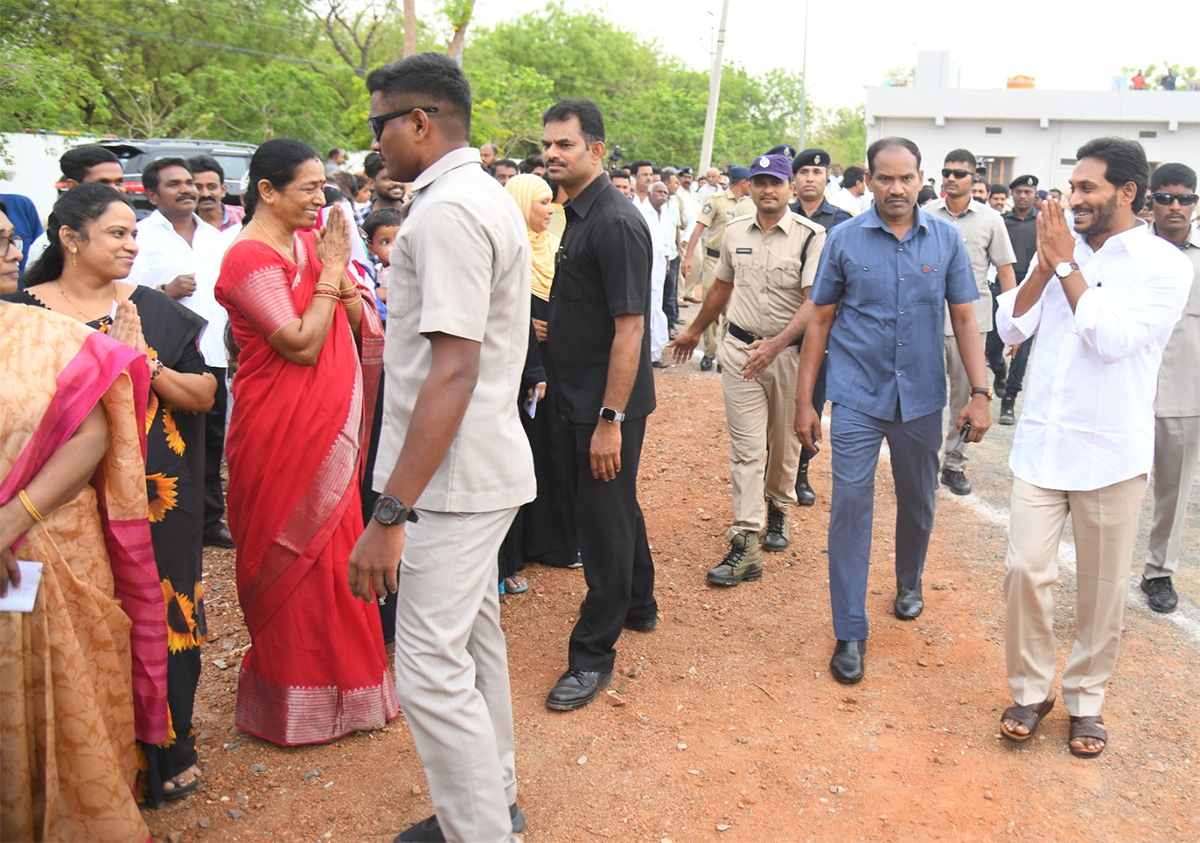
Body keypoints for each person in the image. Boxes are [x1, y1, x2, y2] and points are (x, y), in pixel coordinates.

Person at [349, 52, 534, 843]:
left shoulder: (449, 209)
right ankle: (494, 801)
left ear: (419, 121)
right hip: (469, 470)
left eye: (378, 123)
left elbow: (452, 372)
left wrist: (392, 509)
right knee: (471, 641)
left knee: (426, 668)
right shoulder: (466, 196)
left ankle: (481, 831)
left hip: (448, 484)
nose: (374, 141)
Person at [7, 182, 218, 804]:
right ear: (70, 239)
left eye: (134, 232)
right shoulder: (24, 315)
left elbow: (204, 395)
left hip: (156, 491)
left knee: (165, 605)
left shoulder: (152, 308)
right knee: (89, 618)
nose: (132, 245)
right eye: (117, 233)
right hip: (62, 500)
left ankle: (171, 746)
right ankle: (97, 759)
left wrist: (142, 362)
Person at [995, 138, 1191, 759]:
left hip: (1110, 451)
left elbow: (1111, 339)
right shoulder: (1062, 249)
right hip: (1043, 443)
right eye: (1071, 187)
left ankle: (1085, 701)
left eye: (1087, 189)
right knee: (1025, 570)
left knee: (1102, 587)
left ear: (1126, 193)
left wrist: (1064, 266)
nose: (1072, 198)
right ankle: (1030, 688)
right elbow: (1010, 326)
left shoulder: (1164, 265)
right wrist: (1044, 267)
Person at [214, 139, 397, 746]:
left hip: (326, 426)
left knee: (338, 549)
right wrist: (334, 271)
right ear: (266, 190)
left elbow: (350, 322)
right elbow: (300, 342)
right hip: (277, 431)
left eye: (323, 187)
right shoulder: (247, 257)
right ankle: (296, 703)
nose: (322, 198)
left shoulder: (307, 242)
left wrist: (338, 277)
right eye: (308, 188)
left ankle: (352, 694)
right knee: (289, 557)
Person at [794, 137, 991, 685]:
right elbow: (820, 320)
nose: (896, 188)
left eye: (906, 178)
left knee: (919, 500)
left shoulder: (946, 240)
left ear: (921, 178)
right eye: (885, 178)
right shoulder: (843, 239)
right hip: (857, 396)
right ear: (869, 180)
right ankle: (850, 629)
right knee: (850, 508)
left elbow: (967, 321)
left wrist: (980, 391)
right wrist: (805, 400)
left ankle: (910, 579)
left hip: (923, 399)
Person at [1, 296, 167, 842]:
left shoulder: (54, 337)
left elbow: (92, 437)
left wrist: (9, 522)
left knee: (73, 690)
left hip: (56, 543)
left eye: (10, 237)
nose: (13, 249)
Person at [540, 98, 658, 711]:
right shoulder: (577, 214)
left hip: (603, 406)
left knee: (602, 521)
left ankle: (592, 653)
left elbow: (630, 329)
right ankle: (640, 602)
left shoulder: (613, 221)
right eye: (549, 144)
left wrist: (609, 421)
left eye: (566, 144)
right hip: (580, 394)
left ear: (597, 150)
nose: (553, 154)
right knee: (614, 506)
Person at [670, 153, 825, 584]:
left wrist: (775, 346)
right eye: (759, 182)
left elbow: (814, 302)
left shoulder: (812, 237)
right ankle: (746, 540)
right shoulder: (736, 230)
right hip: (739, 353)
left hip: (788, 355)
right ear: (750, 188)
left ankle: (779, 507)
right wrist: (695, 331)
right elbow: (721, 288)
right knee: (747, 449)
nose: (767, 189)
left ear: (790, 188)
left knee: (785, 443)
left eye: (776, 182)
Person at [125, 158, 235, 550]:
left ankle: (208, 522)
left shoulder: (217, 238)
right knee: (164, 442)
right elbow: (123, 293)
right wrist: (164, 291)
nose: (188, 190)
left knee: (209, 442)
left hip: (213, 355)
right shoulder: (139, 237)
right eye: (175, 184)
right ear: (153, 194)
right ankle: (161, 521)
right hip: (163, 359)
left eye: (189, 183)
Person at [926, 149, 1016, 496]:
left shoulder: (991, 220)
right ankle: (926, 465)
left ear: (973, 179)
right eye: (946, 171)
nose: (951, 177)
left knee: (966, 396)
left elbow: (1006, 272)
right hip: (930, 320)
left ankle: (954, 464)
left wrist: (1013, 324)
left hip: (972, 322)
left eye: (959, 173)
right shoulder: (926, 214)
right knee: (929, 396)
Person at [1138, 163, 1200, 614]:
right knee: (1113, 485)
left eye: (1185, 198)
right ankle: (1104, 567)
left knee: (1174, 489)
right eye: (1166, 197)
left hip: (1186, 391)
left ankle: (1159, 572)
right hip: (1129, 389)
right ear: (1150, 201)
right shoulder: (1131, 252)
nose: (1175, 206)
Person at [787, 149, 855, 507]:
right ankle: (775, 468)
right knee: (779, 399)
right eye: (804, 172)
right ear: (793, 179)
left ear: (827, 177)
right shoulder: (782, 213)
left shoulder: (844, 221)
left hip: (826, 327)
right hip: (783, 322)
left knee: (812, 399)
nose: (810, 178)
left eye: (817, 171)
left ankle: (800, 471)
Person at [682, 166, 753, 370]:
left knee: (732, 312)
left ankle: (725, 356)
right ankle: (709, 352)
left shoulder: (751, 205)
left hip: (739, 264)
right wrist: (688, 257)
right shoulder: (716, 200)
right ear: (743, 182)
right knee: (710, 307)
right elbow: (699, 228)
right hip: (715, 261)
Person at [24, 144, 126, 267]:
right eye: (103, 183)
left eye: (119, 182)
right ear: (73, 186)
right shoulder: (48, 245)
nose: (115, 189)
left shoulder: (137, 234)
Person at [994, 175, 1041, 423]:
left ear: (1035, 195)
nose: (1023, 196)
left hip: (1033, 288)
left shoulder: (1043, 224)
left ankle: (1009, 400)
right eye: (1019, 191)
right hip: (1002, 288)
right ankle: (998, 370)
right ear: (1012, 194)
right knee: (992, 346)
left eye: (1028, 192)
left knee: (1021, 351)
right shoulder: (1001, 223)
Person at [188, 154, 245, 232]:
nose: (205, 194)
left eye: (212, 187)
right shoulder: (186, 226)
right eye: (198, 187)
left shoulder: (244, 217)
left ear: (223, 190)